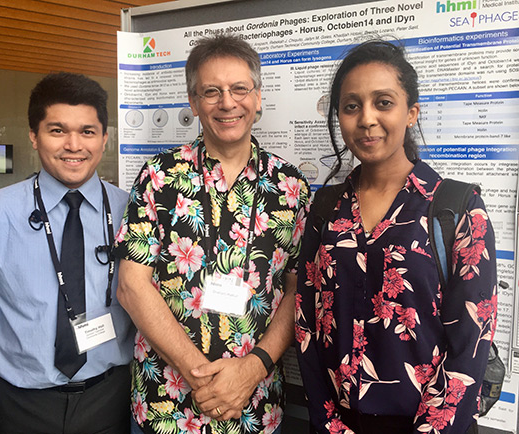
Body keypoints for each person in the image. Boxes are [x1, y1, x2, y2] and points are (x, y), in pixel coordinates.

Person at [295, 40, 497, 434]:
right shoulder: (325, 210)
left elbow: (471, 342)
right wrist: (330, 424)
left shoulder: (455, 208)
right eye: (352, 106)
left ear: (411, 113)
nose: (366, 118)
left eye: (383, 102)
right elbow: (306, 325)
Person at [112, 34, 310, 434]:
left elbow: (297, 291)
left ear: (257, 98)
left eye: (239, 89)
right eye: (211, 91)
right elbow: (132, 287)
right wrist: (202, 377)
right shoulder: (159, 176)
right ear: (193, 102)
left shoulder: (291, 186)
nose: (227, 102)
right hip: (166, 406)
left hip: (254, 407)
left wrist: (250, 372)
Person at [0, 72, 134, 434]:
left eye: (88, 131)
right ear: (34, 136)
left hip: (111, 398)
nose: (74, 145)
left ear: (105, 138)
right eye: (57, 130)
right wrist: (20, 333)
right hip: (21, 403)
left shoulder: (133, 212)